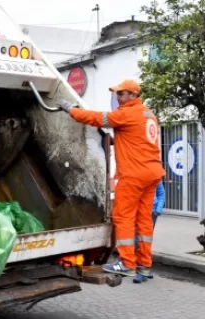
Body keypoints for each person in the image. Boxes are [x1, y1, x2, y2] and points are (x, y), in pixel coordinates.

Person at [58, 79, 165, 280]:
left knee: (123, 217)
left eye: (122, 93)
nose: (118, 97)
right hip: (153, 173)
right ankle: (144, 264)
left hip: (134, 174)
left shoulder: (126, 114)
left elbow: (96, 118)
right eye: (117, 93)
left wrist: (70, 110)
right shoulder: (148, 114)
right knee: (144, 220)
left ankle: (126, 263)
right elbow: (137, 139)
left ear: (133, 95)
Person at [133, 179, 165, 283]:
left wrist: (158, 210)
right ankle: (142, 269)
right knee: (139, 242)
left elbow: (161, 194)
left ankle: (144, 270)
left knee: (145, 242)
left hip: (152, 214)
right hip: (140, 213)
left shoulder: (156, 178)